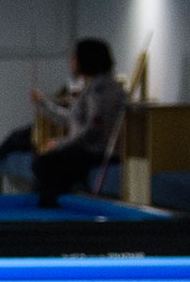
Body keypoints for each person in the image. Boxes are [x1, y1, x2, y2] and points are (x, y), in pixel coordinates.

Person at [25, 38, 127, 204]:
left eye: (74, 57)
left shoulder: (102, 90)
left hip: (96, 151)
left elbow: (92, 130)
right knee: (43, 167)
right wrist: (43, 104)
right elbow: (73, 120)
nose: (71, 62)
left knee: (43, 164)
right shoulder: (92, 87)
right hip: (85, 149)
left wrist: (61, 143)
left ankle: (56, 206)